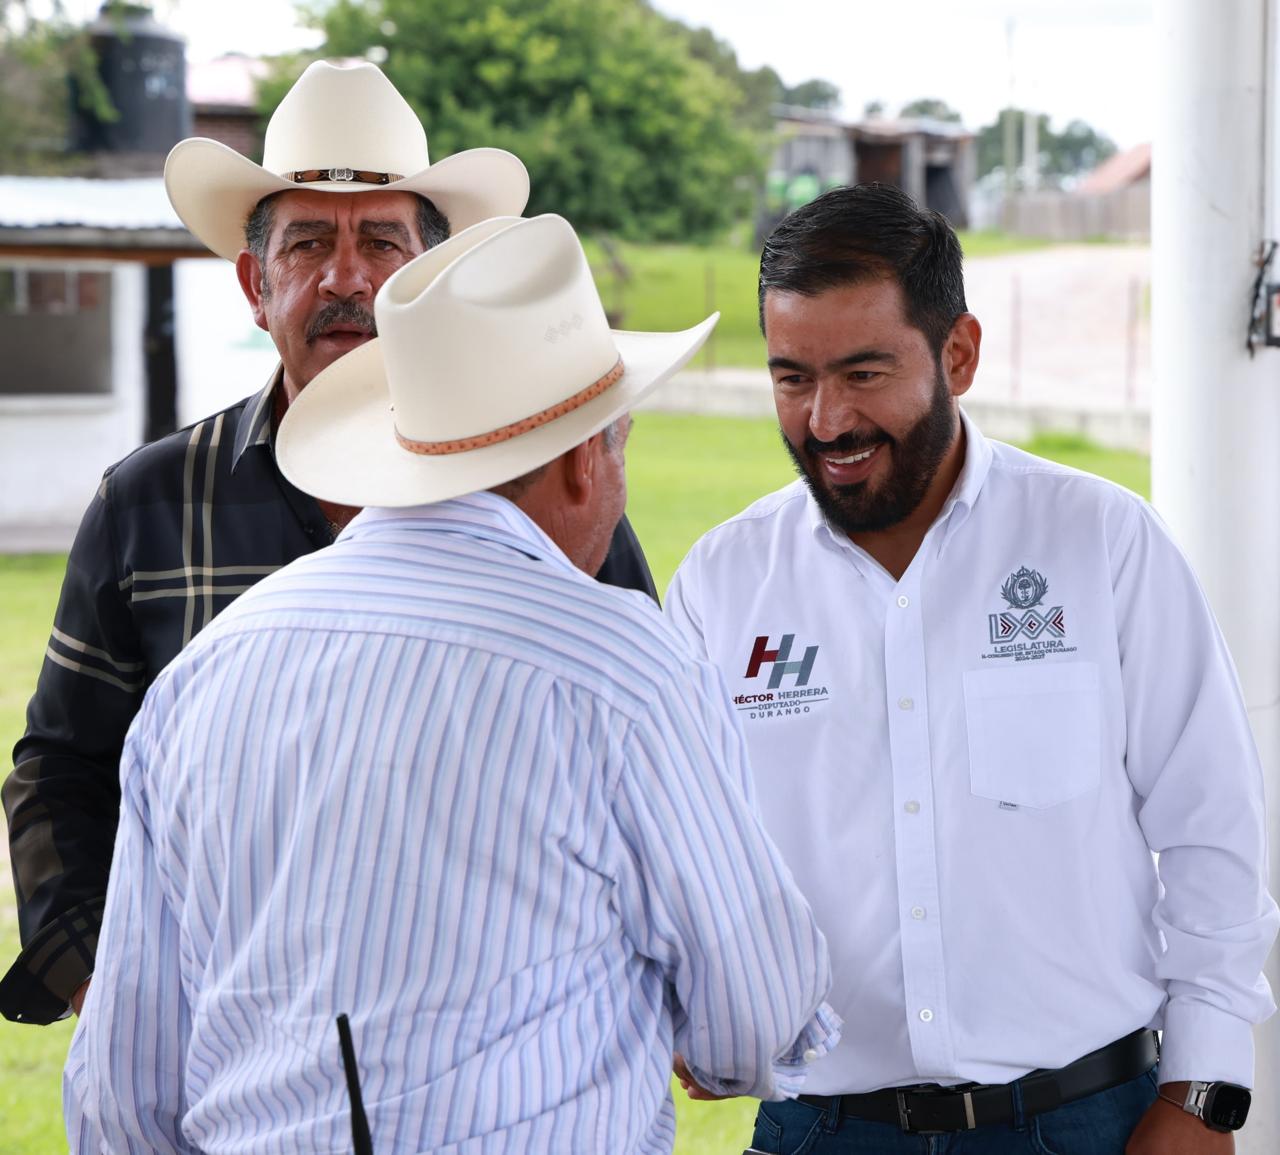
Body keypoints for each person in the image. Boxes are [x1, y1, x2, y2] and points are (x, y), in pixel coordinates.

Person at [63, 213, 839, 1154]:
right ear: (583, 457)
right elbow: (752, 1013)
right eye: (620, 443)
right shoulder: (620, 664)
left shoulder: (203, 674)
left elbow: (121, 1094)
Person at [0, 60, 656, 1026]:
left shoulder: (536, 485)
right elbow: (61, 763)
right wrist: (98, 972)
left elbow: (641, 731)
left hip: (494, 1039)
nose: (347, 277)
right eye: (308, 243)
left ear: (433, 280)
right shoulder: (150, 502)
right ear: (254, 285)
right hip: (228, 1042)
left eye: (383, 243)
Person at [665, 183, 1278, 1154]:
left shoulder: (1098, 541)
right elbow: (682, 849)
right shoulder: (720, 582)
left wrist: (1200, 1091)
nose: (824, 420)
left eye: (863, 373)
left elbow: (1211, 826)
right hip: (819, 1132)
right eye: (791, 378)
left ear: (958, 353)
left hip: (1083, 1121)